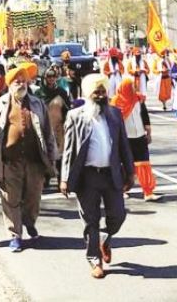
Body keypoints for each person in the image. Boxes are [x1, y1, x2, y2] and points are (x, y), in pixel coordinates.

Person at [59, 74, 134, 279]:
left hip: (111, 175)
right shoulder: (76, 116)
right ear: (88, 94)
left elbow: (124, 146)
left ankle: (105, 238)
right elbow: (68, 150)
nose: (101, 96)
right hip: (87, 177)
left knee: (118, 215)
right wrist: (64, 177)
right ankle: (95, 260)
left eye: (103, 91)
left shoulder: (115, 114)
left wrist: (130, 172)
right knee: (90, 220)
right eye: (96, 92)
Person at [0, 66, 58, 252]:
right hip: (10, 161)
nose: (20, 84)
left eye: (23, 81)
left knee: (33, 198)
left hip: (34, 161)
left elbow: (48, 133)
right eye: (17, 81)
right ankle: (15, 234)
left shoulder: (38, 104)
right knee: (11, 199)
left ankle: (29, 222)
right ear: (9, 84)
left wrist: (52, 157)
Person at [111, 76, 160, 201]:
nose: (134, 87)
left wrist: (148, 132)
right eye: (132, 85)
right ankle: (122, 189)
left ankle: (148, 191)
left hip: (140, 137)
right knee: (124, 165)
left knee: (144, 163)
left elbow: (144, 116)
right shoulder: (116, 103)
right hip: (125, 139)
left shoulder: (138, 99)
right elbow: (114, 122)